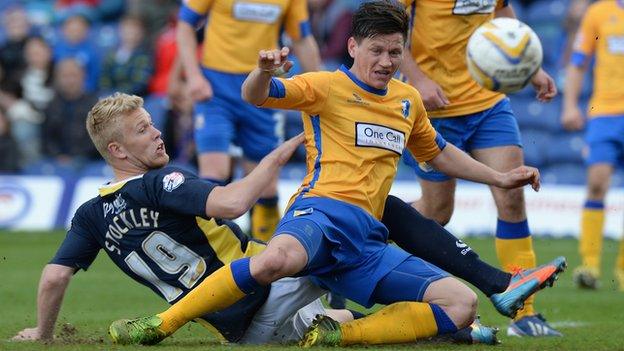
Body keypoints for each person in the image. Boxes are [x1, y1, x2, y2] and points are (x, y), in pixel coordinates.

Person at [109, 2, 565, 347]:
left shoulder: (407, 100)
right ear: (352, 47)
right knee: (273, 261)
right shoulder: (325, 86)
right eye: (376, 51)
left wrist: (498, 178)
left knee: (461, 304)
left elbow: (440, 154)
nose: (386, 60)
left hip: (367, 236)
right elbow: (259, 96)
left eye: (394, 51)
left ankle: (337, 335)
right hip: (319, 215)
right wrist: (261, 72)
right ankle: (161, 325)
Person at [12, 92, 522, 346]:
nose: (157, 134)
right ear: (119, 149)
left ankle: (458, 323)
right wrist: (279, 159)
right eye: (145, 131)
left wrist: (43, 331)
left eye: (153, 125)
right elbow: (233, 204)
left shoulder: (90, 213)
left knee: (336, 316)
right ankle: (475, 294)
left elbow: (56, 275)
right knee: (359, 220)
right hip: (259, 288)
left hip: (237, 327)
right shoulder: (159, 183)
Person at [398, 0, 560, 337]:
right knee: (437, 212)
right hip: (435, 107)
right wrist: (419, 80)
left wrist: (529, 67)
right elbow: (390, 30)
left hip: (488, 103)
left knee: (512, 195)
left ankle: (524, 314)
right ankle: (367, 234)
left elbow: (502, 15)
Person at [177, 0, 322, 241]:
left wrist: (322, 90)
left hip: (261, 87)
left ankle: (269, 260)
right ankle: (208, 251)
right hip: (215, 88)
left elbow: (302, 39)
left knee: (265, 184)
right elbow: (184, 25)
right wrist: (193, 76)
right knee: (214, 170)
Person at [560, 0, 624, 292]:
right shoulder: (599, 13)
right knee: (597, 184)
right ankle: (590, 265)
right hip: (605, 114)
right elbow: (578, 62)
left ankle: (622, 270)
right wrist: (570, 105)